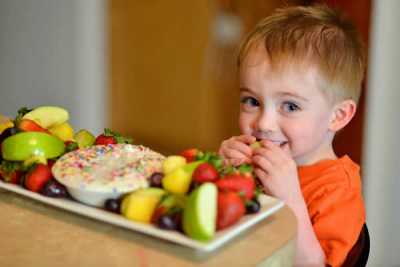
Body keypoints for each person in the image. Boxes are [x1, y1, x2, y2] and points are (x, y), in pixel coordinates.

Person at [218, 5, 366, 267]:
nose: (264, 122)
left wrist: (289, 199)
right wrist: (223, 174)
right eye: (252, 101)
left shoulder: (336, 192)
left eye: (290, 106)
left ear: (338, 116)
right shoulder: (254, 161)